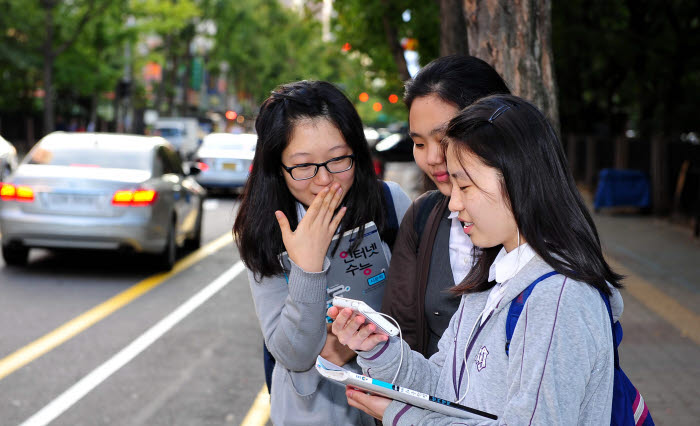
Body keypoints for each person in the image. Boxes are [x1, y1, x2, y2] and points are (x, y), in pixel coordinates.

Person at [330, 94, 625, 425]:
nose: (454, 204)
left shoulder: (558, 299)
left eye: (465, 186)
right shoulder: (494, 278)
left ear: (517, 180)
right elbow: (446, 387)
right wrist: (379, 350)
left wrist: (404, 418)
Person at [233, 80, 411, 425]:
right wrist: (308, 268)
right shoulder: (264, 229)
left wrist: (347, 344)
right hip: (315, 412)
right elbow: (295, 354)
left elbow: (417, 302)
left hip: (396, 401)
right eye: (303, 166)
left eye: (338, 159)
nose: (325, 180)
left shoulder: (390, 203)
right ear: (276, 166)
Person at [382, 55, 510, 357]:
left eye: (444, 138)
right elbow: (402, 332)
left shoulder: (538, 226)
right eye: (420, 143)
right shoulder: (424, 216)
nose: (432, 158)